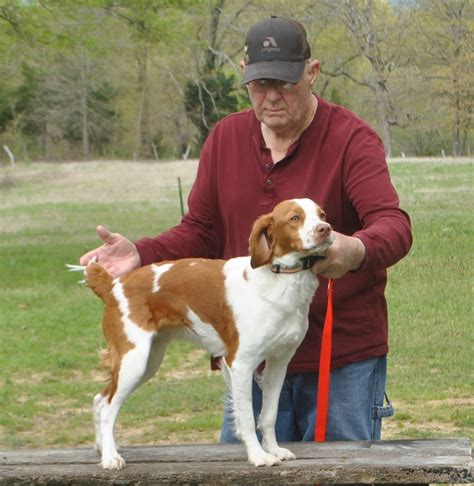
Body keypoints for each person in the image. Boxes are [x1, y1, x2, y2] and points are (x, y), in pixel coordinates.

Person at [80, 16, 412, 443]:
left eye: (286, 83)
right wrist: (141, 254)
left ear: (312, 73)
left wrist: (353, 250)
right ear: (243, 74)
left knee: (345, 472)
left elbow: (393, 224)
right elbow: (199, 229)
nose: (272, 97)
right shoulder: (225, 138)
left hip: (340, 362)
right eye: (259, 84)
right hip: (251, 354)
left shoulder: (352, 139)